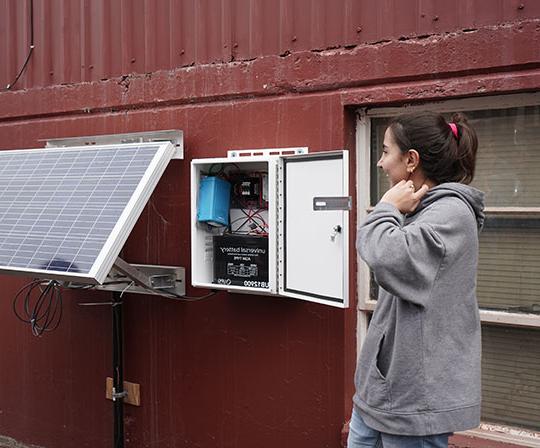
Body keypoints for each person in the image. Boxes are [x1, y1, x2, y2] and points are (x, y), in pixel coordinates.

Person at [348, 111, 485, 448]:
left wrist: (385, 207)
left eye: (384, 151)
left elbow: (386, 254)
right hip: (379, 393)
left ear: (411, 160)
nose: (380, 163)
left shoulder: (450, 214)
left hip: (414, 405)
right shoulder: (420, 208)